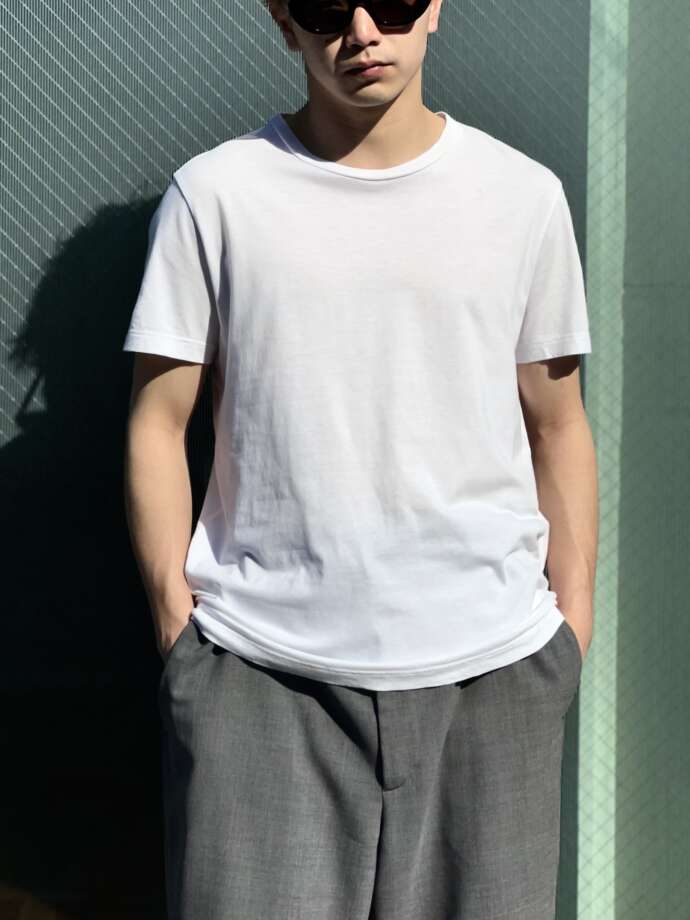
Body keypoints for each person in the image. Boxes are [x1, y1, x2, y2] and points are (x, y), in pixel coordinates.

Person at [122, 0, 598, 917]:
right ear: (284, 22)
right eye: (325, 7)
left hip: (493, 678)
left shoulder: (523, 196)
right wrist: (182, 637)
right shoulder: (215, 195)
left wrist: (567, 633)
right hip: (261, 679)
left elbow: (558, 423)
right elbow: (157, 422)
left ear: (437, 7)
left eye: (394, 0)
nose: (364, 30)